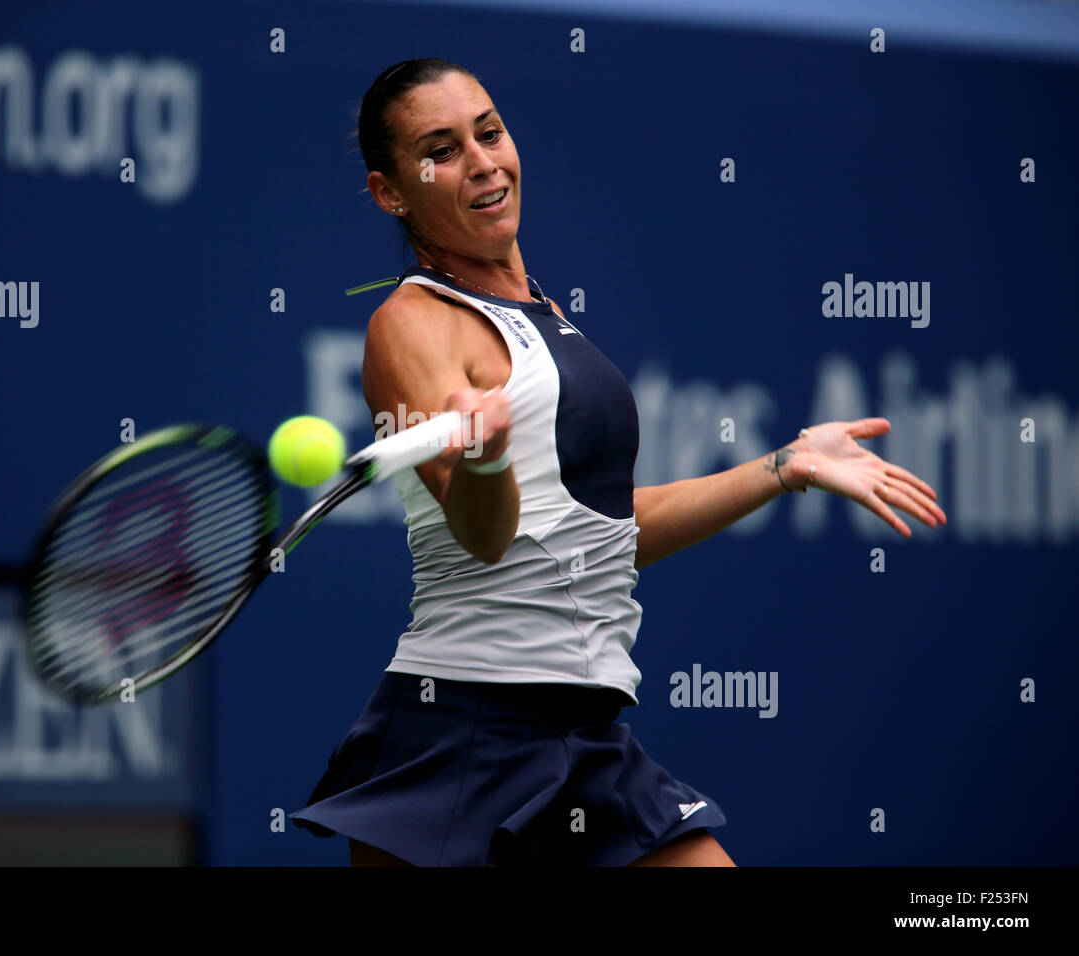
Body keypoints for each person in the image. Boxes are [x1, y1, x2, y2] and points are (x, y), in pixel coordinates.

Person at [289, 58, 946, 867]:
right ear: (391, 191)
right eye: (443, 150)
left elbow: (606, 532)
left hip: (581, 735)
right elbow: (482, 535)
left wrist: (787, 465)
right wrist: (486, 461)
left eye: (489, 133)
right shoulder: (412, 324)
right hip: (461, 736)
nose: (484, 161)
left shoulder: (546, 314)